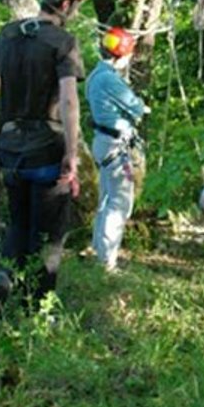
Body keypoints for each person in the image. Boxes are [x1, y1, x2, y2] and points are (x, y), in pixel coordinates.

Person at [0, 0, 88, 315]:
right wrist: (72, 154)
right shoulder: (63, 43)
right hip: (46, 149)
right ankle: (40, 310)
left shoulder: (8, 35)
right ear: (67, 5)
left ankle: (5, 278)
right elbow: (69, 100)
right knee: (50, 235)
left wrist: (2, 90)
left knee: (19, 223)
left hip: (10, 149)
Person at [86, 26, 147, 272]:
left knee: (106, 199)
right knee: (119, 203)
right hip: (115, 145)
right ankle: (107, 262)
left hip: (104, 141)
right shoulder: (110, 79)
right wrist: (141, 105)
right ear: (122, 55)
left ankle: (99, 251)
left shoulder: (96, 75)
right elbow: (137, 108)